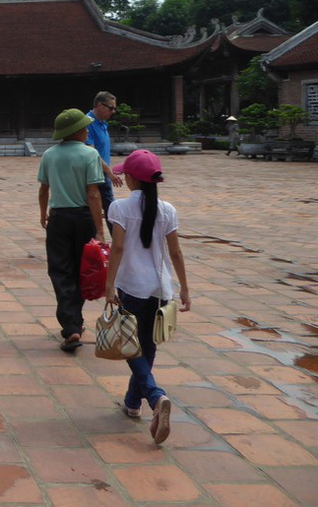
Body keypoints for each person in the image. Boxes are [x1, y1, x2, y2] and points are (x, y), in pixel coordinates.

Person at [105, 149, 191, 445]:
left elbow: (116, 249)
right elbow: (176, 253)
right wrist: (185, 290)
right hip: (160, 290)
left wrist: (108, 285)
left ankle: (155, 397)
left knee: (132, 347)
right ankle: (132, 403)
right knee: (148, 345)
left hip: (132, 287)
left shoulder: (120, 208)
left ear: (131, 179)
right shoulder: (168, 210)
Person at [37, 108, 105, 352]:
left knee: (60, 270)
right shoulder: (90, 154)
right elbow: (94, 193)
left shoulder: (49, 155)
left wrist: (43, 213)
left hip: (59, 218)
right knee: (83, 269)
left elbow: (44, 189)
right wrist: (100, 229)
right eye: (85, 127)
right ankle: (74, 323)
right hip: (83, 217)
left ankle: (72, 325)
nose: (87, 130)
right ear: (77, 131)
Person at [86, 92, 124, 222]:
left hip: (104, 174)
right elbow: (92, 153)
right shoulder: (87, 123)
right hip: (94, 174)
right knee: (107, 211)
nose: (113, 111)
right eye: (111, 108)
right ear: (99, 105)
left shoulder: (102, 123)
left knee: (110, 210)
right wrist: (110, 173)